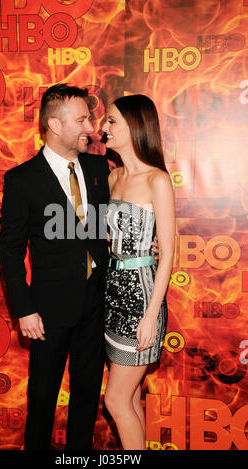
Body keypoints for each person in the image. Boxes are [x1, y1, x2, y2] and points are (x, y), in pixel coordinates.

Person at [0, 83, 111, 450]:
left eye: (90, 119)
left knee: (86, 398)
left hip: (96, 305)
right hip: (47, 311)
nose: (90, 127)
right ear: (54, 125)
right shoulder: (22, 179)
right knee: (43, 400)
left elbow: (113, 221)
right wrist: (25, 309)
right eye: (81, 119)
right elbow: (11, 252)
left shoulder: (98, 167)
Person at [102, 94, 175, 450]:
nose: (104, 128)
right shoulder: (114, 176)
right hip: (112, 293)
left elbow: (169, 254)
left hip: (141, 296)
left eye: (112, 121)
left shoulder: (157, 180)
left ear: (134, 126)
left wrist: (150, 315)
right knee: (129, 400)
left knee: (115, 400)